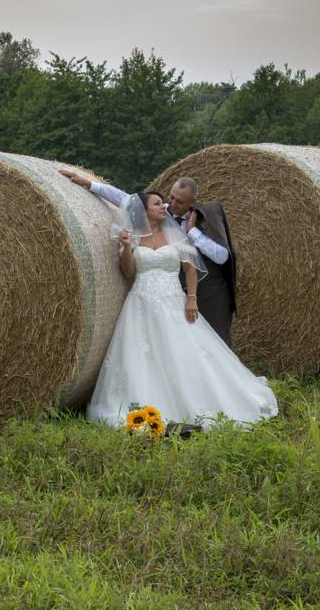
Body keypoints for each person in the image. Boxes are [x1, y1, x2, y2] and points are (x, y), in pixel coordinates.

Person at [83, 190, 277, 430]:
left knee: (187, 352)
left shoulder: (174, 234)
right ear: (144, 211)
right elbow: (128, 272)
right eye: (156, 204)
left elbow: (190, 269)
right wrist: (124, 248)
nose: (163, 206)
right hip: (141, 302)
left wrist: (192, 299)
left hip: (174, 300)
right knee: (143, 356)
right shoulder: (132, 237)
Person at [59, 170, 237, 346]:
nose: (171, 204)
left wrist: (192, 232)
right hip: (145, 295)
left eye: (179, 201)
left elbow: (221, 257)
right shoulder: (161, 212)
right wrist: (90, 184)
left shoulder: (201, 218)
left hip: (197, 291)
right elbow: (125, 199)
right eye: (171, 197)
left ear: (192, 202)